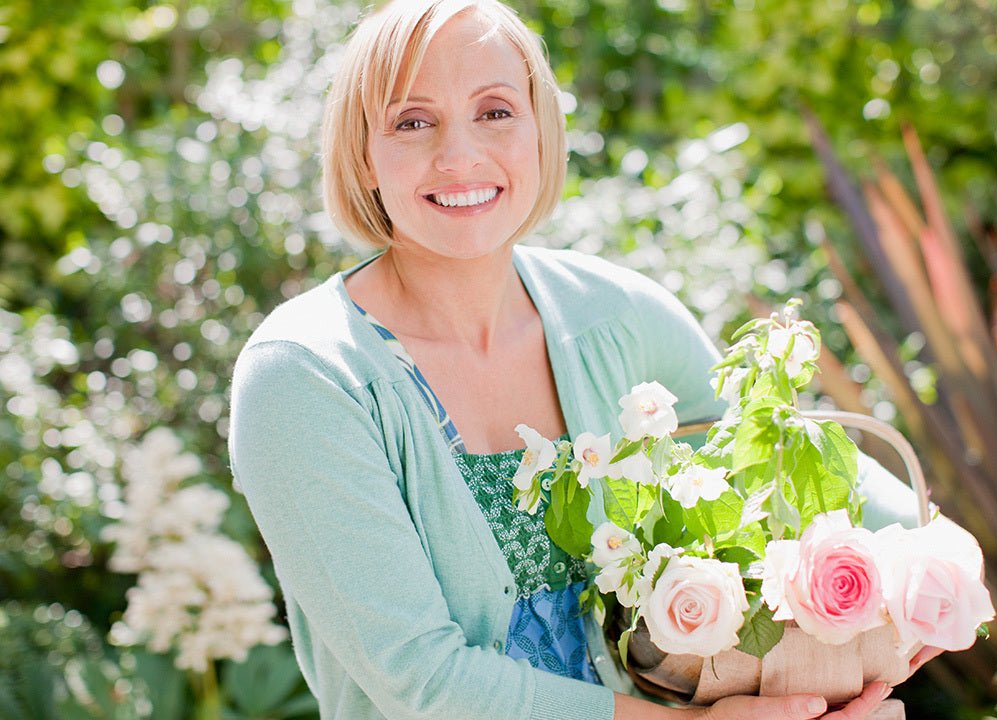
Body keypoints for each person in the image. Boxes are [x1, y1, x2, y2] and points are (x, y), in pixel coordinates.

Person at [228, 1, 940, 718]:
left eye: (496, 112)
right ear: (361, 155)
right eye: (413, 122)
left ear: (542, 131)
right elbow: (424, 681)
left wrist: (935, 557)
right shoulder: (305, 377)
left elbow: (778, 461)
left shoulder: (619, 314)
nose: (461, 154)